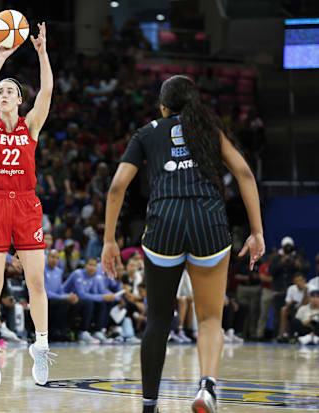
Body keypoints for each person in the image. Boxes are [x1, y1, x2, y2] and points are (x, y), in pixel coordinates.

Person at [101, 75, 264, 413]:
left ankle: (149, 405)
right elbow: (245, 174)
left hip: (165, 221)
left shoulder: (146, 132)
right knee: (208, 319)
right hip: (209, 221)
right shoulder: (209, 130)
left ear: (163, 106)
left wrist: (108, 240)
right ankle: (206, 387)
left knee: (159, 319)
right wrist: (256, 232)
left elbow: (117, 187)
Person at [0, 22, 54, 388]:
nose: (3, 94)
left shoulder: (31, 126)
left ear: (20, 100)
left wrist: (41, 53)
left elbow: (48, 90)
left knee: (36, 282)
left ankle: (41, 345)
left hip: (25, 204)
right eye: (1, 91)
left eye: (10, 91)